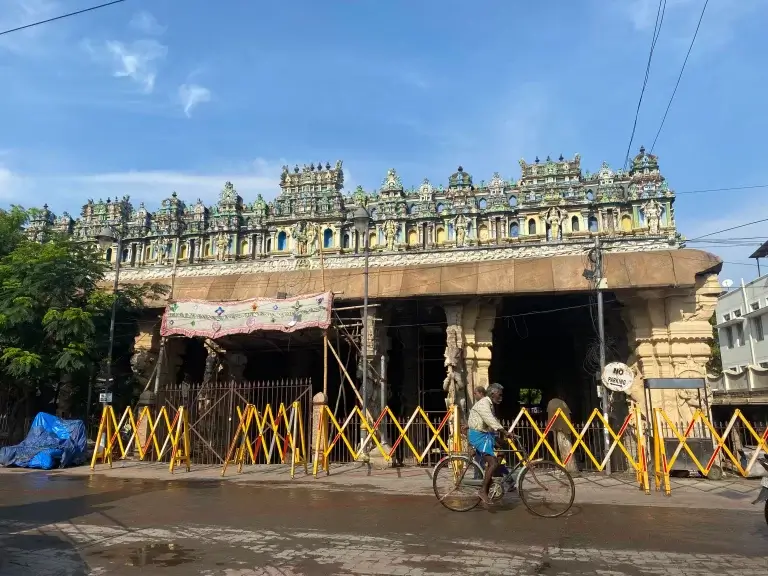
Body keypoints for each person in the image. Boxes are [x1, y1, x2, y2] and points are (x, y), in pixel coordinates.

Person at [467, 382, 508, 504]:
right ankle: (483, 490)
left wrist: (506, 434)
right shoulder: (484, 403)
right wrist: (505, 432)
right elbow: (490, 420)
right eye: (499, 395)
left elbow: (493, 420)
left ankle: (491, 478)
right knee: (493, 462)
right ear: (493, 393)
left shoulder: (489, 403)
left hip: (486, 434)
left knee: (503, 448)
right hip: (478, 435)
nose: (500, 397)